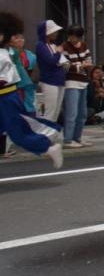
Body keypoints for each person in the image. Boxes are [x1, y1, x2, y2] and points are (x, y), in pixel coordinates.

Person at [0, 12, 62, 168]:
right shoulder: (6, 53)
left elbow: (4, 80)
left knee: (18, 132)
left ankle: (48, 146)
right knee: (18, 129)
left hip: (6, 98)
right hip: (7, 97)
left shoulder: (3, 56)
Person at [60, 25, 93, 149]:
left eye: (75, 36)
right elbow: (65, 65)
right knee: (71, 112)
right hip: (70, 82)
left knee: (82, 113)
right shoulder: (64, 46)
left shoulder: (83, 45)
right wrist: (80, 66)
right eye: (70, 36)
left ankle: (77, 138)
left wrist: (85, 65)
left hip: (83, 81)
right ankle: (68, 139)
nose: (72, 38)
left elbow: (89, 59)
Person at [35, 20, 67, 124]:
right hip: (49, 81)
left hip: (59, 80)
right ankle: (45, 137)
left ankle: (51, 138)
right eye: (54, 31)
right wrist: (58, 53)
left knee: (56, 113)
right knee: (49, 112)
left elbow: (58, 60)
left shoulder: (53, 45)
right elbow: (51, 61)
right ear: (47, 33)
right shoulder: (40, 45)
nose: (56, 33)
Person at [9, 32, 37, 116]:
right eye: (17, 38)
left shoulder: (31, 55)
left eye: (22, 38)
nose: (20, 40)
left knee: (29, 112)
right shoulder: (6, 54)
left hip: (27, 87)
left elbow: (33, 72)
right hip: (12, 87)